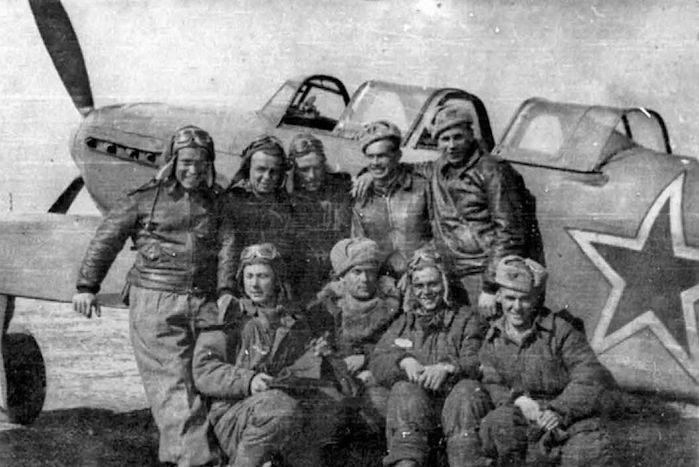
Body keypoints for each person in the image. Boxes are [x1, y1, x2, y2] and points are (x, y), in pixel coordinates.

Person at [72, 125, 221, 466]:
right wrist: (87, 287)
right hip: (154, 300)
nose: (193, 170)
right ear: (172, 161)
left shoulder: (217, 202)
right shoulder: (141, 198)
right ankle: (194, 461)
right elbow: (106, 239)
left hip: (202, 300)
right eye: (186, 162)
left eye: (201, 163)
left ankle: (187, 456)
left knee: (202, 382)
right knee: (174, 388)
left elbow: (226, 247)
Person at [193, 243, 343, 467]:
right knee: (278, 407)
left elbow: (302, 369)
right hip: (234, 414)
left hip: (280, 411)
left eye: (262, 276)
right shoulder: (229, 316)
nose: (254, 284)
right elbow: (205, 369)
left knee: (328, 404)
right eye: (249, 276)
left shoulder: (292, 320)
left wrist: (319, 356)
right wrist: (248, 380)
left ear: (277, 280)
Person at [475, 255, 615, 466]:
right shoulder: (493, 337)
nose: (517, 307)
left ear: (537, 299)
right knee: (498, 423)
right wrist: (517, 400)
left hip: (567, 418)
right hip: (522, 417)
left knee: (588, 451)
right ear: (499, 297)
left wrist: (558, 410)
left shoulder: (562, 331)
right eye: (510, 298)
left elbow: (590, 376)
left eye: (525, 299)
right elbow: (492, 382)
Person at [369, 247, 488, 467]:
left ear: (445, 283)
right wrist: (403, 360)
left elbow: (479, 360)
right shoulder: (405, 323)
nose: (426, 292)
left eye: (433, 284)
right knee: (403, 390)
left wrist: (448, 368)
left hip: (456, 407)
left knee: (467, 390)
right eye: (419, 285)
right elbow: (378, 360)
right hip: (417, 413)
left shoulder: (466, 319)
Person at [426, 103, 544, 318]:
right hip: (453, 271)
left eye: (458, 137)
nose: (451, 145)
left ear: (471, 135)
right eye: (445, 139)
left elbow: (510, 232)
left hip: (482, 272)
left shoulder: (494, 171)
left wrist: (490, 287)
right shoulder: (440, 169)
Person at [307, 237, 402, 435]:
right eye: (357, 272)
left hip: (376, 381)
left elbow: (401, 347)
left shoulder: (392, 307)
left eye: (370, 272)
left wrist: (367, 359)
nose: (365, 279)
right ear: (342, 276)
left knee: (381, 404)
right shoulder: (324, 308)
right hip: (336, 382)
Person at [218, 135, 298, 313]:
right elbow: (228, 249)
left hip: (277, 293)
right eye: (260, 170)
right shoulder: (233, 202)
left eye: (273, 172)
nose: (267, 177)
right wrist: (226, 290)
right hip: (241, 289)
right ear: (248, 169)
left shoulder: (287, 207)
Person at [351, 120, 432, 278]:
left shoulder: (421, 188)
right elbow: (358, 244)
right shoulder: (361, 195)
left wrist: (421, 265)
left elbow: (441, 233)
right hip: (381, 279)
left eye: (382, 156)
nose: (375, 163)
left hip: (422, 275)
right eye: (370, 156)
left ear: (397, 156)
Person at [287, 133, 352, 304]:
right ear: (293, 169)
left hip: (337, 276)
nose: (312, 175)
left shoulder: (341, 190)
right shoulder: (284, 197)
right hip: (299, 279)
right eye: (304, 169)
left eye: (317, 168)